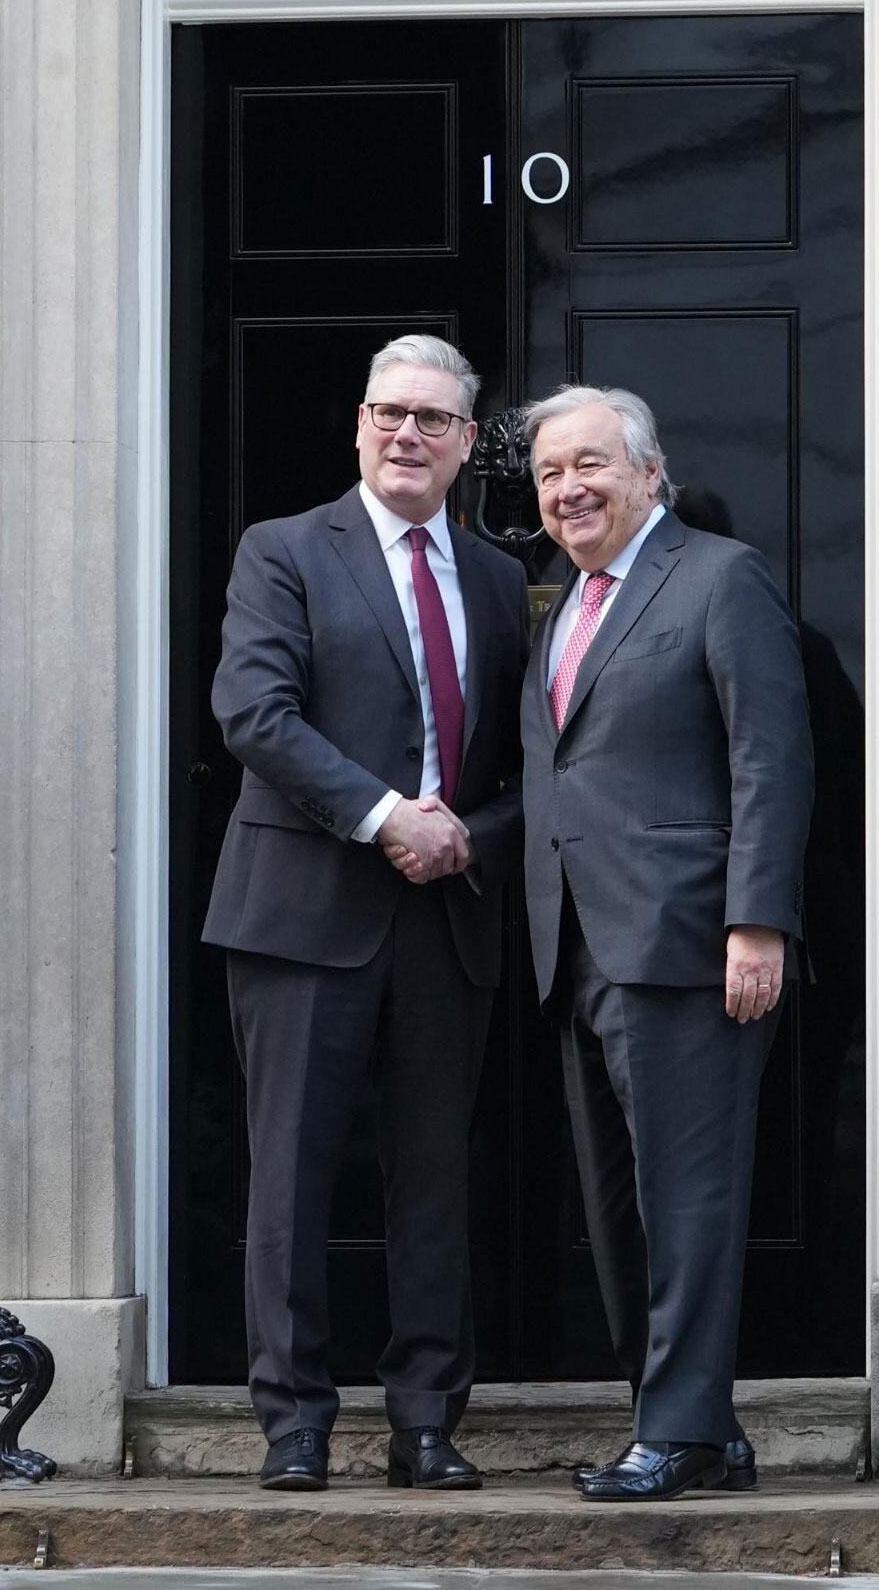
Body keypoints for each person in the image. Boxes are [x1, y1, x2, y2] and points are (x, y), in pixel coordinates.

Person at [203, 335, 528, 1492]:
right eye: (389, 412)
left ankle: (426, 1421)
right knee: (290, 1176)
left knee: (434, 1179)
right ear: (357, 424)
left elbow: (533, 758)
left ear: (466, 442)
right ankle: (294, 1422)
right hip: (303, 911)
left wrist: (468, 836)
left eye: (432, 419)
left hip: (448, 915)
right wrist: (390, 815)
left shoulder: (498, 578)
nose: (407, 434)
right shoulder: (285, 549)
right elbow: (255, 711)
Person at [517, 384, 813, 1503]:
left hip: (691, 942)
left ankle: (679, 1431)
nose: (568, 488)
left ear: (650, 472)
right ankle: (691, 1423)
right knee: (616, 1209)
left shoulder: (721, 576)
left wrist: (757, 920)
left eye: (590, 463)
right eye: (550, 472)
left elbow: (770, 756)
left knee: (687, 1202)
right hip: (576, 945)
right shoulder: (564, 605)